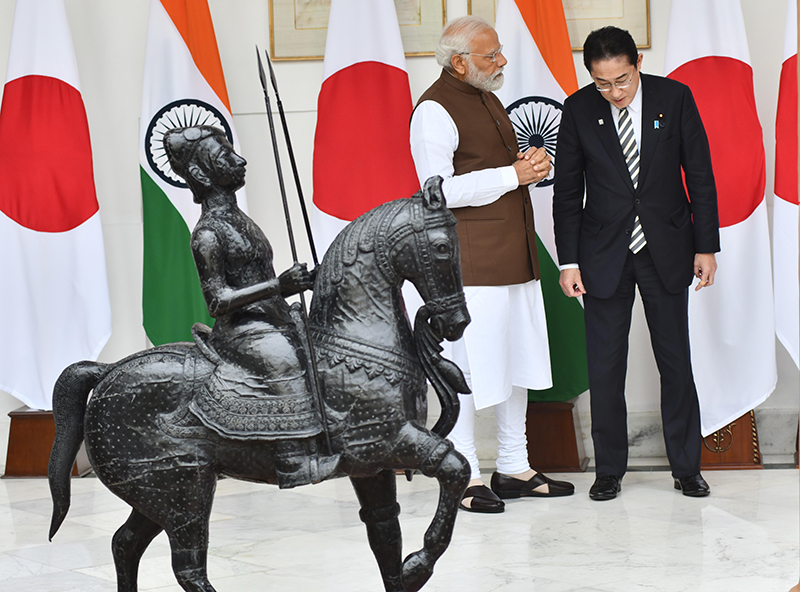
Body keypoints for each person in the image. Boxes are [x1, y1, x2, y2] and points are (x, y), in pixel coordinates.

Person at [410, 16, 574, 514]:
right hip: (470, 264)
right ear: (459, 62)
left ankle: (513, 466)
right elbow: (437, 192)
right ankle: (463, 473)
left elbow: (494, 173)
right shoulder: (433, 111)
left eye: (499, 52)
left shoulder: (488, 96)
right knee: (467, 371)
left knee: (515, 363)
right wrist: (513, 174)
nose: (501, 61)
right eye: (491, 56)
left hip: (515, 256)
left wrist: (526, 168)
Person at [552, 27, 720, 500]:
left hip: (666, 248)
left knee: (675, 360)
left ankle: (687, 467)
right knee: (605, 365)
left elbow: (701, 175)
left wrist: (705, 246)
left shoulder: (676, 97)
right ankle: (609, 470)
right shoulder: (579, 109)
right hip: (602, 254)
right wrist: (568, 262)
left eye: (621, 80)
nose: (614, 92)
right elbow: (567, 193)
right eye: (602, 83)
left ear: (638, 62)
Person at [163, 125, 338, 489]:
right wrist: (279, 285)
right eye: (225, 155)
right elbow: (217, 300)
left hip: (272, 318)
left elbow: (260, 276)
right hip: (243, 331)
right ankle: (294, 458)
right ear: (199, 173)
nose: (239, 160)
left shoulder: (241, 220)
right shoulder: (208, 233)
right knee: (283, 357)